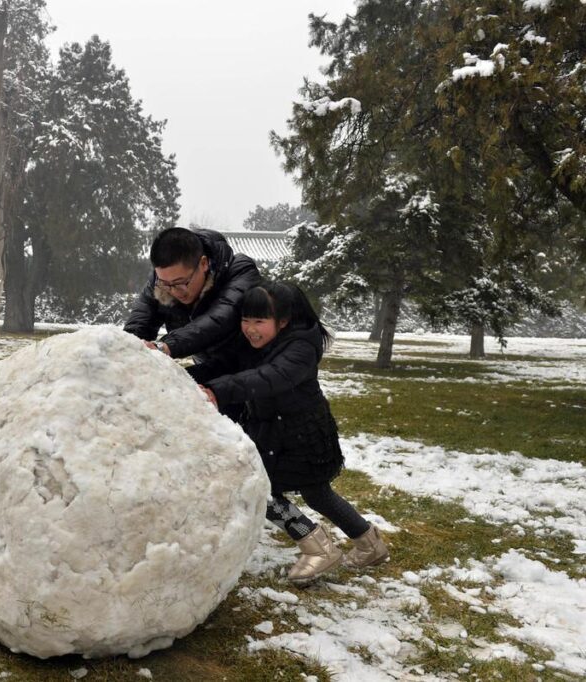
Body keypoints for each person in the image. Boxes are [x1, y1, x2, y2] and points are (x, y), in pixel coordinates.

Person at [188, 281, 389, 585]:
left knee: (260, 490)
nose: (250, 329)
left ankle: (317, 546)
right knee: (317, 492)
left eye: (259, 321)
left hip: (302, 435)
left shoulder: (300, 347)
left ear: (283, 321)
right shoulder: (256, 344)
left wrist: (218, 391)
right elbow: (222, 364)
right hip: (276, 433)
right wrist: (181, 376)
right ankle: (370, 545)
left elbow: (270, 377)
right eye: (245, 319)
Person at [124, 227, 261, 360]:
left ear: (203, 263)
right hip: (207, 367)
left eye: (181, 282)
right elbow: (140, 321)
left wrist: (166, 345)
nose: (174, 291)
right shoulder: (161, 283)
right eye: (166, 283)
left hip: (253, 365)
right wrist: (126, 348)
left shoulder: (240, 271)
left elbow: (219, 318)